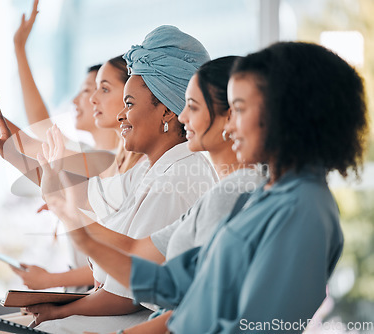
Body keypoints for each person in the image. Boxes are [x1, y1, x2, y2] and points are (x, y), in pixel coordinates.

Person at [39, 41, 368, 333]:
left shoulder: (304, 210)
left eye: (239, 110)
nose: (232, 124)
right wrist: (78, 230)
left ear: (286, 113)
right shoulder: (260, 195)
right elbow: (172, 284)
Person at [0, 25, 216, 334]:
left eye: (129, 104)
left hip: (132, 320)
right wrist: (12, 153)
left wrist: (62, 309)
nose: (122, 116)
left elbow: (129, 293)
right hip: (114, 309)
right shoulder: (148, 171)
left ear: (166, 112)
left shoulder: (177, 180)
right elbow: (82, 196)